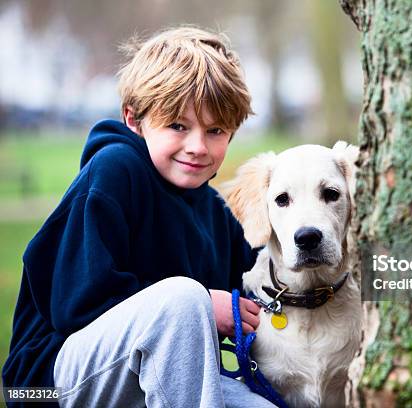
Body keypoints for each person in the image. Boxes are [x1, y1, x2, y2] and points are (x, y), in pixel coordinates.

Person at [2, 27, 276, 408]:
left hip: (151, 377)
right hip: (46, 386)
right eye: (178, 126)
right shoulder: (115, 170)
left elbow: (262, 281)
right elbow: (75, 307)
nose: (197, 147)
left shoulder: (214, 209)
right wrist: (204, 306)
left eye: (215, 131)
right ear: (134, 119)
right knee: (183, 298)